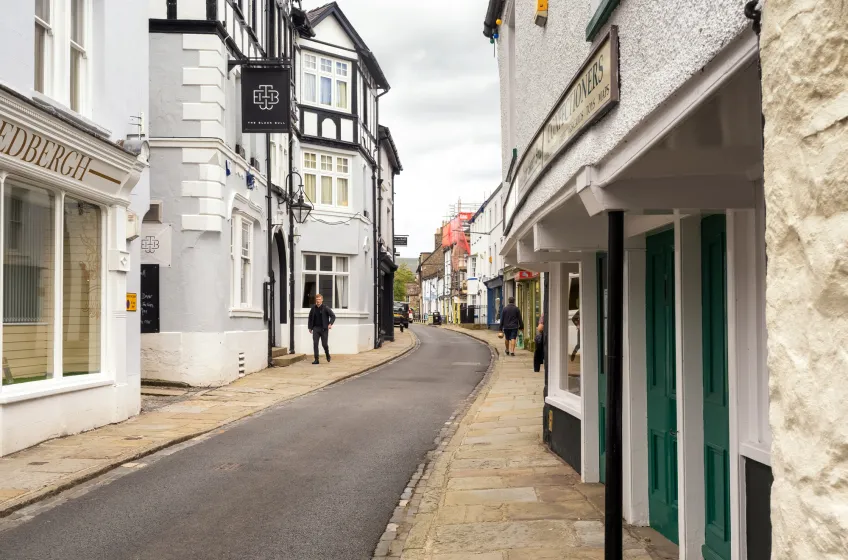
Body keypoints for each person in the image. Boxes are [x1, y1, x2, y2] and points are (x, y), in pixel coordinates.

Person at [308, 294, 336, 365]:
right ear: (316, 300)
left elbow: (333, 316)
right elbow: (310, 318)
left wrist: (330, 324)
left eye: (319, 299)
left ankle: (327, 354)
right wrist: (310, 327)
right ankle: (316, 359)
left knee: (324, 344)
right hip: (316, 328)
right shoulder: (313, 308)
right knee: (315, 343)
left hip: (324, 329)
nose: (318, 301)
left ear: (322, 300)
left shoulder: (325, 308)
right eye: (317, 299)